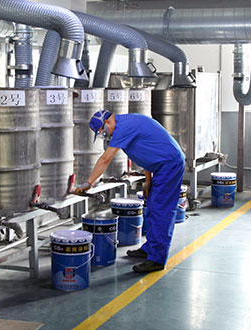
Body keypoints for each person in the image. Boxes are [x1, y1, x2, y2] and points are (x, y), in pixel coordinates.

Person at [75, 110, 185, 273]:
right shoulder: (126, 124)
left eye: (103, 132)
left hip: (169, 165)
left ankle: (157, 259)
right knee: (152, 207)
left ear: (107, 122)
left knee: (161, 210)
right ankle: (150, 248)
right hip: (161, 165)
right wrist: (148, 181)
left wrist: (88, 183)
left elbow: (105, 159)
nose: (106, 136)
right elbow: (147, 153)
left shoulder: (123, 128)